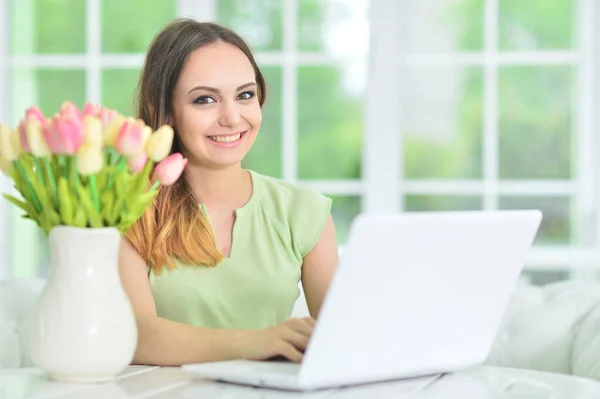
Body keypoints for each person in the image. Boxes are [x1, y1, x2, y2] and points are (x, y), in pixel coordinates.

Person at [119, 18, 339, 367]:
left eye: (245, 95)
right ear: (168, 112)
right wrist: (256, 342)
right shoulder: (129, 210)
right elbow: (134, 336)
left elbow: (343, 338)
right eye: (204, 99)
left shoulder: (303, 211)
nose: (233, 118)